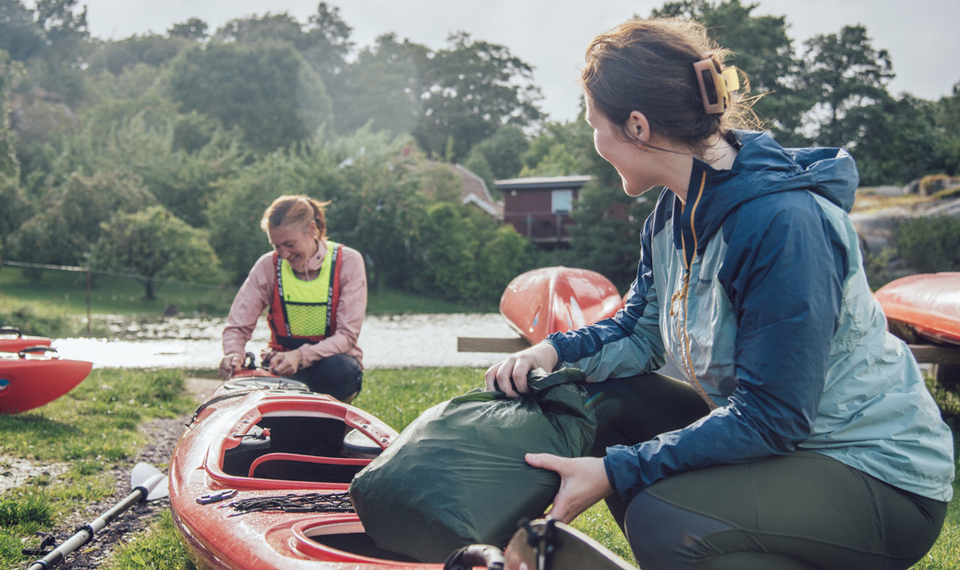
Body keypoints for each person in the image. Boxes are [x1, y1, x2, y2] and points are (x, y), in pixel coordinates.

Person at [485, 17, 954, 570]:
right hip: (784, 447)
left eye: (595, 124)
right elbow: (639, 330)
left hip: (875, 474)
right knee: (604, 403)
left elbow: (773, 415)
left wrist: (616, 471)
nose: (595, 141)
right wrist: (550, 354)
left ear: (636, 125)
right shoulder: (671, 214)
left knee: (665, 520)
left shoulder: (780, 222)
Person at [219, 195, 366, 403]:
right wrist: (234, 354)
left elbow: (347, 336)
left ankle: (336, 423)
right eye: (276, 246)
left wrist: (300, 356)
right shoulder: (267, 265)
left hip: (334, 364)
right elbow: (238, 326)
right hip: (282, 365)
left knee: (341, 371)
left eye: (289, 244)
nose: (283, 254)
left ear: (312, 230)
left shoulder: (349, 261)